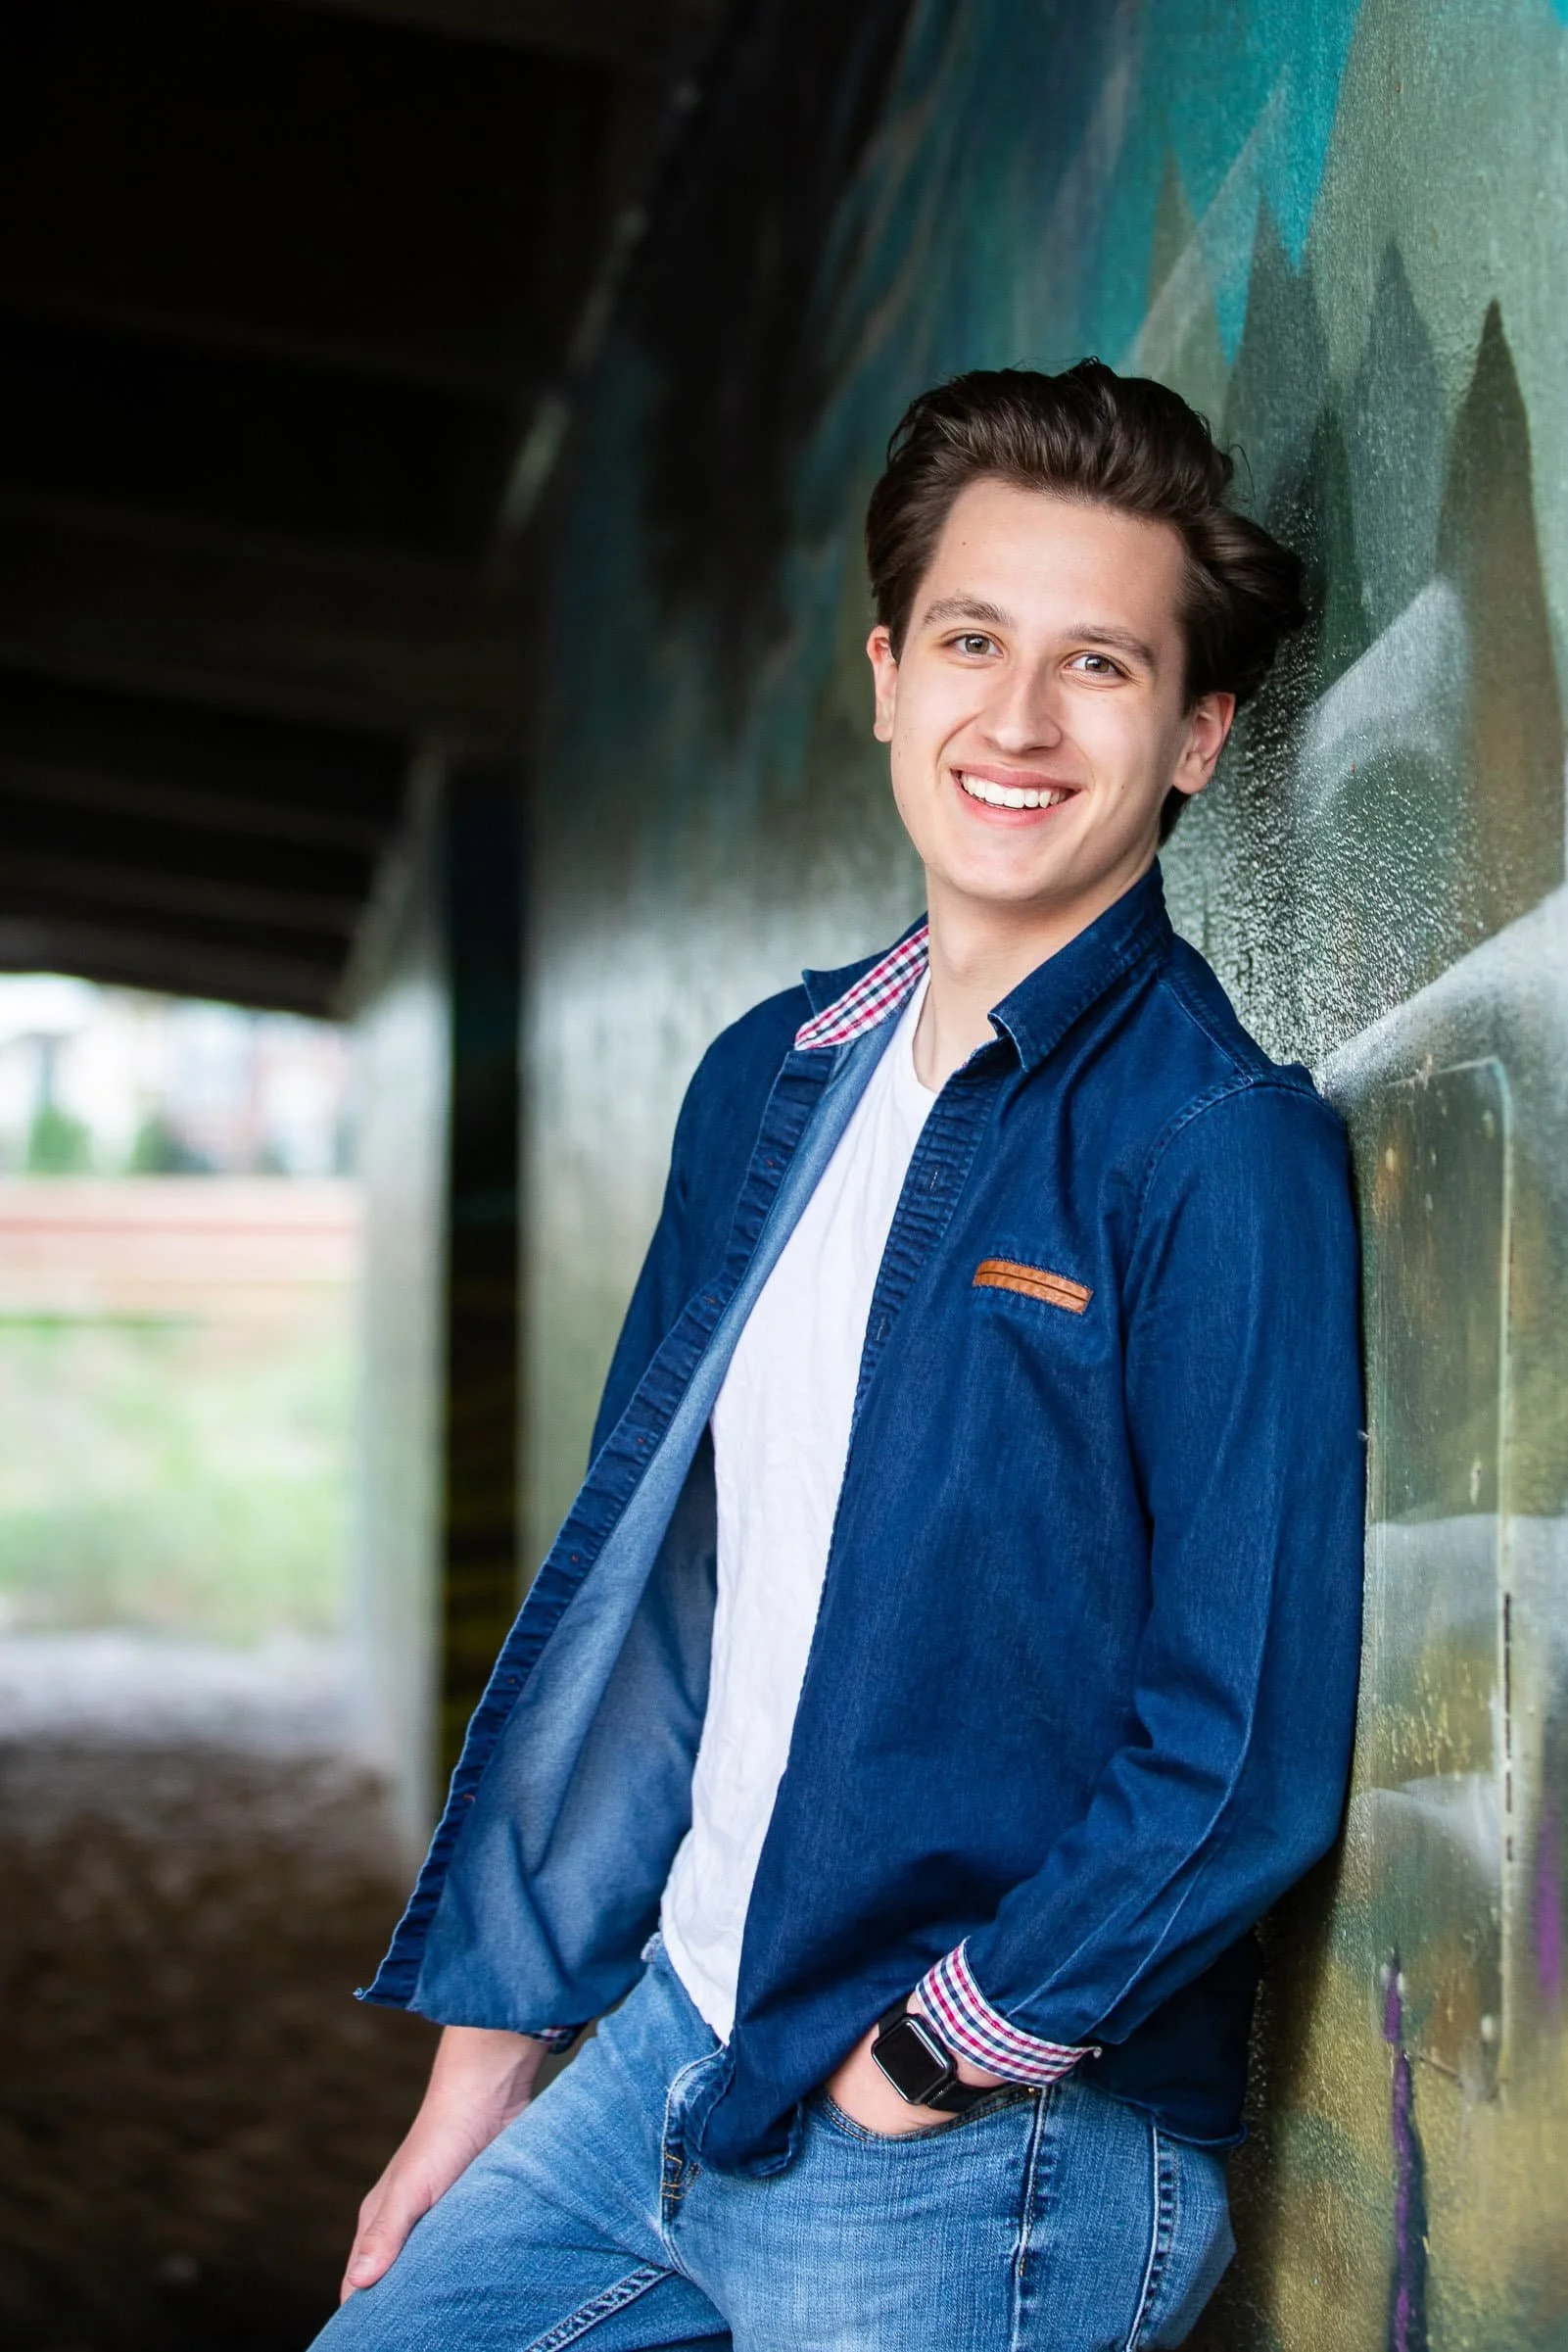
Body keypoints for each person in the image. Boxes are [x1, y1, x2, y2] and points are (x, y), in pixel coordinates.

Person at [314, 362, 1364, 2351]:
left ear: (1197, 736)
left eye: (1101, 669)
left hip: (966, 2140)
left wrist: (933, 2061)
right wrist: (484, 2066)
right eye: (971, 642)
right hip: (673, 2052)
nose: (1019, 722)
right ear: (886, 675)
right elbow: (662, 1600)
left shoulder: (1210, 1152)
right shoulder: (769, 1080)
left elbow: (1231, 1746)